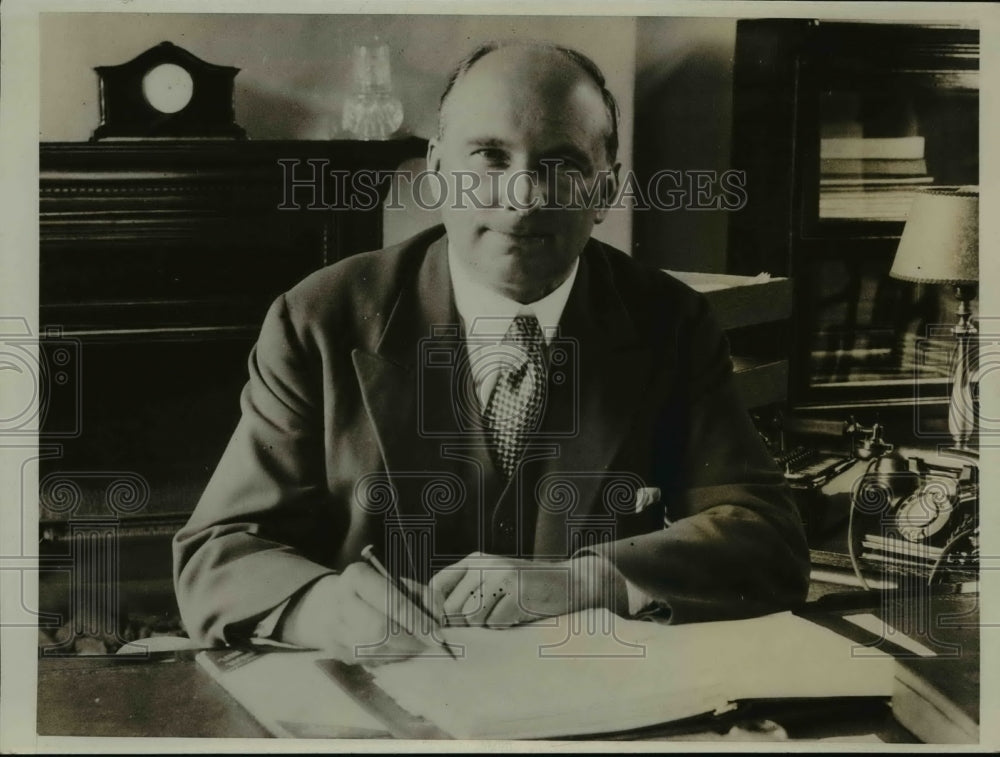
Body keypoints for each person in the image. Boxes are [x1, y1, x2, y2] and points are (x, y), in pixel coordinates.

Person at [173, 40, 810, 659]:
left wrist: (586, 581)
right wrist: (319, 604)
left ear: (606, 190)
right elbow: (217, 551)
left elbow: (767, 536)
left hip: (589, 695)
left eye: (560, 165)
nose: (522, 197)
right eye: (488, 158)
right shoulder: (320, 316)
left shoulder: (670, 320)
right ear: (439, 172)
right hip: (381, 696)